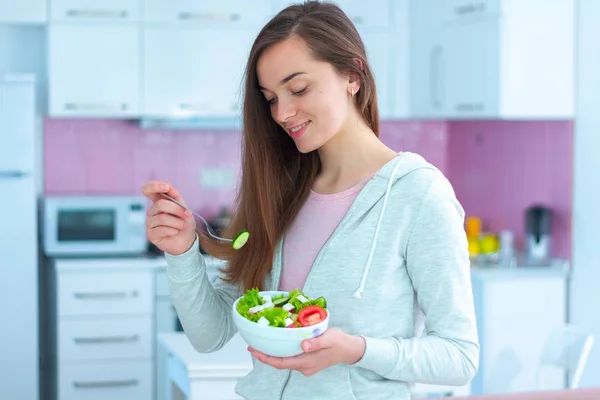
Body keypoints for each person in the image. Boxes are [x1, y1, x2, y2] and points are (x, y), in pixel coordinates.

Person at [142, 1, 479, 399]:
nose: (283, 113)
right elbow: (210, 335)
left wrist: (356, 350)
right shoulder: (279, 190)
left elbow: (459, 357)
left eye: (298, 89)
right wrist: (182, 252)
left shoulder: (418, 195)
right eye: (270, 98)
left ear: (352, 76)